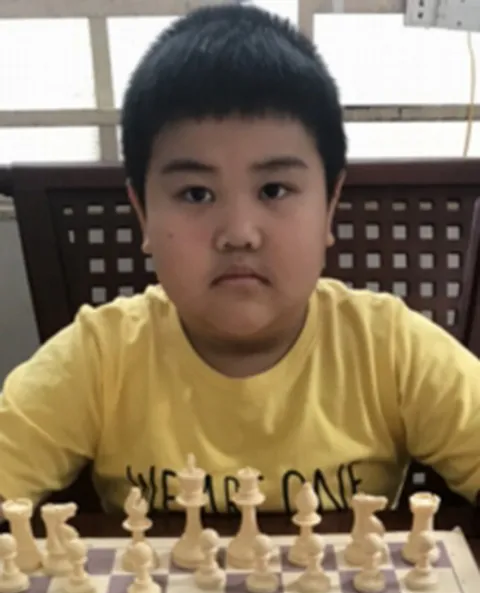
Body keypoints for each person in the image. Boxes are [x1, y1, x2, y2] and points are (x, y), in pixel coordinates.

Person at [0, 4, 479, 518]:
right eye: (196, 194)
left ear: (329, 206)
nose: (239, 234)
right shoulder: (99, 358)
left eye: (274, 189)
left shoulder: (391, 350)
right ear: (142, 213)